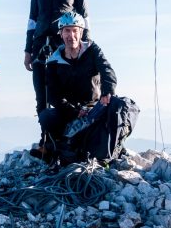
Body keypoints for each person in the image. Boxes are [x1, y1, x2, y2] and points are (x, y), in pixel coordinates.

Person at [24, 0, 90, 153]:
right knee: (41, 94)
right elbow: (32, 20)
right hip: (40, 46)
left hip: (64, 45)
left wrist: (85, 45)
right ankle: (46, 140)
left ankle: (67, 138)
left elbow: (84, 18)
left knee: (64, 93)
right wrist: (28, 50)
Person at [38, 12, 117, 163]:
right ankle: (62, 146)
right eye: (67, 30)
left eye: (75, 30)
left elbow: (107, 70)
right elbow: (53, 94)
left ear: (81, 32)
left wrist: (107, 91)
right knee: (46, 116)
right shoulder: (54, 61)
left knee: (114, 109)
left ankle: (105, 147)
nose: (71, 35)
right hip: (70, 110)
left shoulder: (92, 50)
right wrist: (73, 111)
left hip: (94, 106)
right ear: (60, 33)